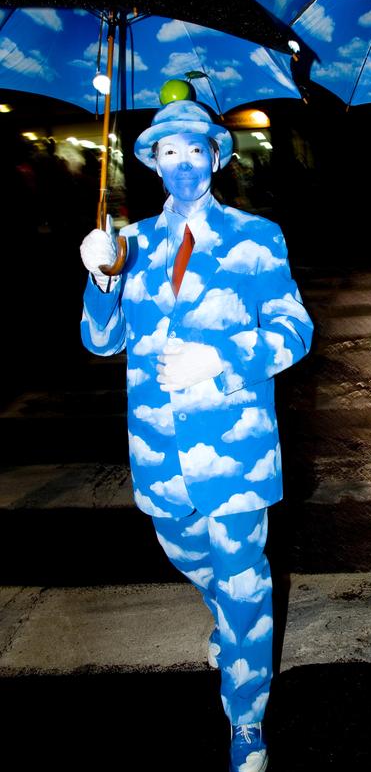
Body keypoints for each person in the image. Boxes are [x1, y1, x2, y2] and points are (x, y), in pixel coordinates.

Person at [80, 99, 313, 771]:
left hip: (236, 443)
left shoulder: (257, 236)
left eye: (196, 150)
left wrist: (226, 356)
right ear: (153, 163)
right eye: (169, 152)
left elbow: (295, 330)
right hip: (159, 446)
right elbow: (101, 341)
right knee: (183, 548)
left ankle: (246, 720)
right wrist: (101, 280)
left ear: (218, 157)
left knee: (245, 584)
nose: (184, 164)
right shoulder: (133, 242)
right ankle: (221, 607)